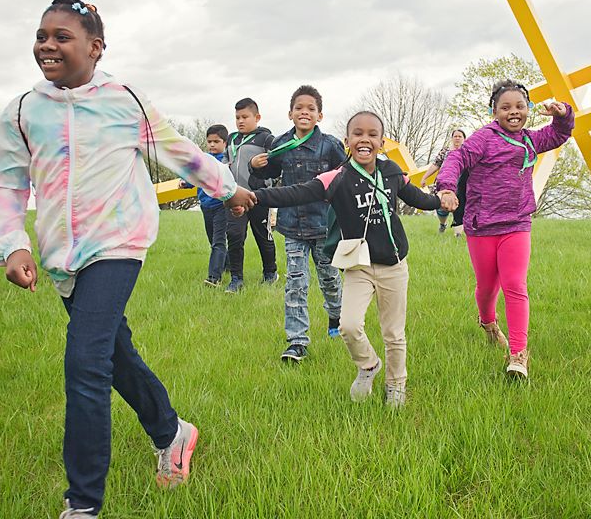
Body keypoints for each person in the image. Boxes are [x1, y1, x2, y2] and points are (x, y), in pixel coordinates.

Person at [0, 0, 255, 519]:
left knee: (84, 362)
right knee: (113, 355)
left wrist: (229, 188)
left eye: (62, 36)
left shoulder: (124, 100)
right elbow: (2, 184)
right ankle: (173, 432)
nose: (47, 45)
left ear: (95, 47)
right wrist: (11, 243)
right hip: (62, 255)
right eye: (42, 35)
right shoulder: (23, 110)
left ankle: (82, 503)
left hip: (118, 242)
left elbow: (177, 150)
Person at [242, 111, 450, 406]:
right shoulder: (336, 178)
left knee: (394, 333)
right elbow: (295, 193)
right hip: (358, 266)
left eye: (372, 135)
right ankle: (368, 366)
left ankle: (396, 384)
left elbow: (417, 198)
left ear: (381, 142)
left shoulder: (391, 171)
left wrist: (443, 199)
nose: (365, 139)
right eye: (358, 134)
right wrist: (255, 197)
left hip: (393, 266)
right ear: (348, 141)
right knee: (349, 326)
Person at [436, 80, 573, 380]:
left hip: (517, 224)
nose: (514, 112)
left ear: (529, 109)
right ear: (493, 111)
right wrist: (446, 187)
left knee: (515, 285)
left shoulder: (530, 140)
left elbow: (559, 134)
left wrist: (562, 115)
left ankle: (518, 354)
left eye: (520, 107)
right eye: (506, 107)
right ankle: (488, 323)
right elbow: (457, 157)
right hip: (482, 226)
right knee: (487, 288)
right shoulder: (483, 139)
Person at [249, 85, 345, 363]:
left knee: (329, 279)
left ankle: (336, 318)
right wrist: (256, 167)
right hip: (292, 226)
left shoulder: (331, 145)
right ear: (290, 114)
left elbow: (344, 178)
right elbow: (267, 175)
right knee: (295, 283)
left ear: (320, 116)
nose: (305, 112)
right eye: (299, 108)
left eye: (311, 108)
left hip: (323, 226)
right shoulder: (280, 144)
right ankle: (297, 341)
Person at [223, 98, 278, 292]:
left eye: (245, 117)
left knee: (263, 236)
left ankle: (270, 273)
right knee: (235, 236)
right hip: (235, 197)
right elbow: (226, 159)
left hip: (258, 196)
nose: (240, 121)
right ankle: (236, 278)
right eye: (237, 117)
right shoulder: (231, 138)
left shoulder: (266, 139)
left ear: (257, 117)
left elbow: (275, 165)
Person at [180, 124, 230, 285]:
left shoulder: (225, 161)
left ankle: (214, 278)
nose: (212, 145)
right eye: (209, 141)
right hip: (205, 206)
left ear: (225, 143)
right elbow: (196, 176)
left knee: (218, 241)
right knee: (213, 240)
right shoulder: (203, 159)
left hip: (221, 206)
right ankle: (227, 265)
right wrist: (185, 183)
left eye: (216, 141)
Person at [421, 128, 467, 235]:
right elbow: (436, 164)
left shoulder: (467, 152)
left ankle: (458, 233)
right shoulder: (445, 151)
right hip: (444, 183)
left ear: (464, 139)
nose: (457, 138)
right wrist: (425, 177)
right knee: (442, 207)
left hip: (462, 183)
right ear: (451, 138)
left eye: (460, 136)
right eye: (455, 136)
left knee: (460, 206)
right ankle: (442, 224)